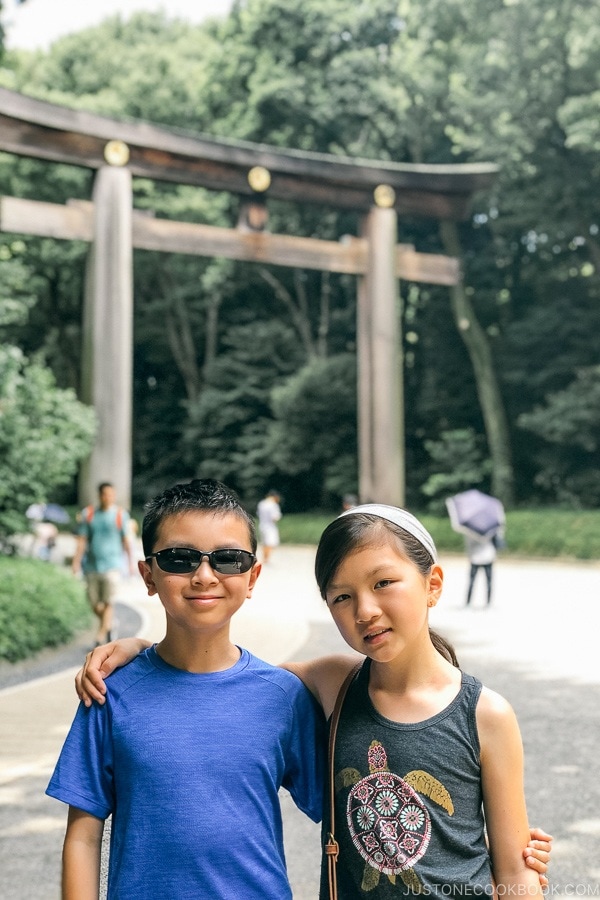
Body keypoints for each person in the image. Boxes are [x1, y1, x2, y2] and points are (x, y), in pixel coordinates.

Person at [76, 504, 553, 894]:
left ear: (433, 585)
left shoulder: (485, 713)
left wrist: (503, 860)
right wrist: (141, 652)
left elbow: (515, 873)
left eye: (383, 583)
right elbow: (221, 682)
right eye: (341, 597)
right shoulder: (331, 684)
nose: (365, 610)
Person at [47, 478, 324, 900]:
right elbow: (83, 839)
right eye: (180, 559)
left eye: (229, 559)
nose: (204, 576)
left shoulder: (283, 697)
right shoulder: (108, 692)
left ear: (252, 577)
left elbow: (346, 814)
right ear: (148, 574)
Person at [71, 482, 136, 644]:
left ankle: (100, 635)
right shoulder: (89, 514)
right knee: (93, 603)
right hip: (92, 566)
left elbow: (126, 540)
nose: (108, 497)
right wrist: (76, 561)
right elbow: (82, 540)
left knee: (108, 602)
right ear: (100, 495)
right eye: (105, 494)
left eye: (111, 494)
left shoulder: (120, 515)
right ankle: (109, 624)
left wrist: (131, 562)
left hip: (112, 566)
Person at [465, 531, 498, 606]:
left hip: (475, 557)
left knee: (471, 581)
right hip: (488, 556)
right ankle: (488, 602)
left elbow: (469, 544)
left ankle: (468, 602)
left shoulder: (470, 530)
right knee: (488, 581)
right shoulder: (490, 529)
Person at [257, 488, 282, 562]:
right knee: (270, 543)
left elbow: (258, 514)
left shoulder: (262, 503)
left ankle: (264, 557)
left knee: (264, 543)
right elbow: (274, 517)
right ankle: (266, 558)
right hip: (270, 526)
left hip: (262, 525)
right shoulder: (273, 504)